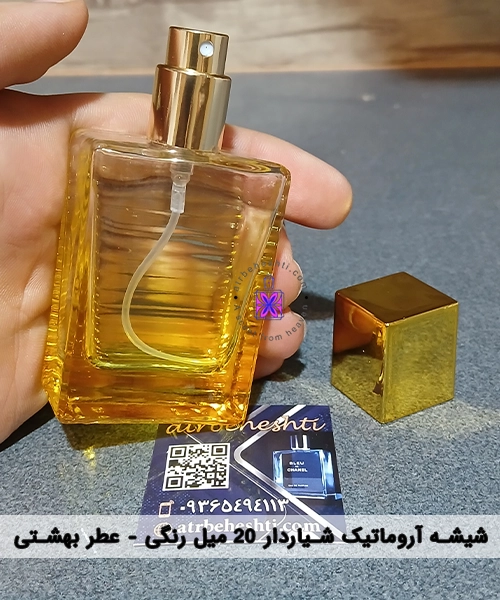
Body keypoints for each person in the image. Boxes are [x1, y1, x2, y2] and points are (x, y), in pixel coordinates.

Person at [0, 0, 352, 444]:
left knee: (269, 295)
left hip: (202, 393)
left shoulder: (260, 180)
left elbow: (260, 282)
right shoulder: (101, 154)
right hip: (90, 382)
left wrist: (262, 308)